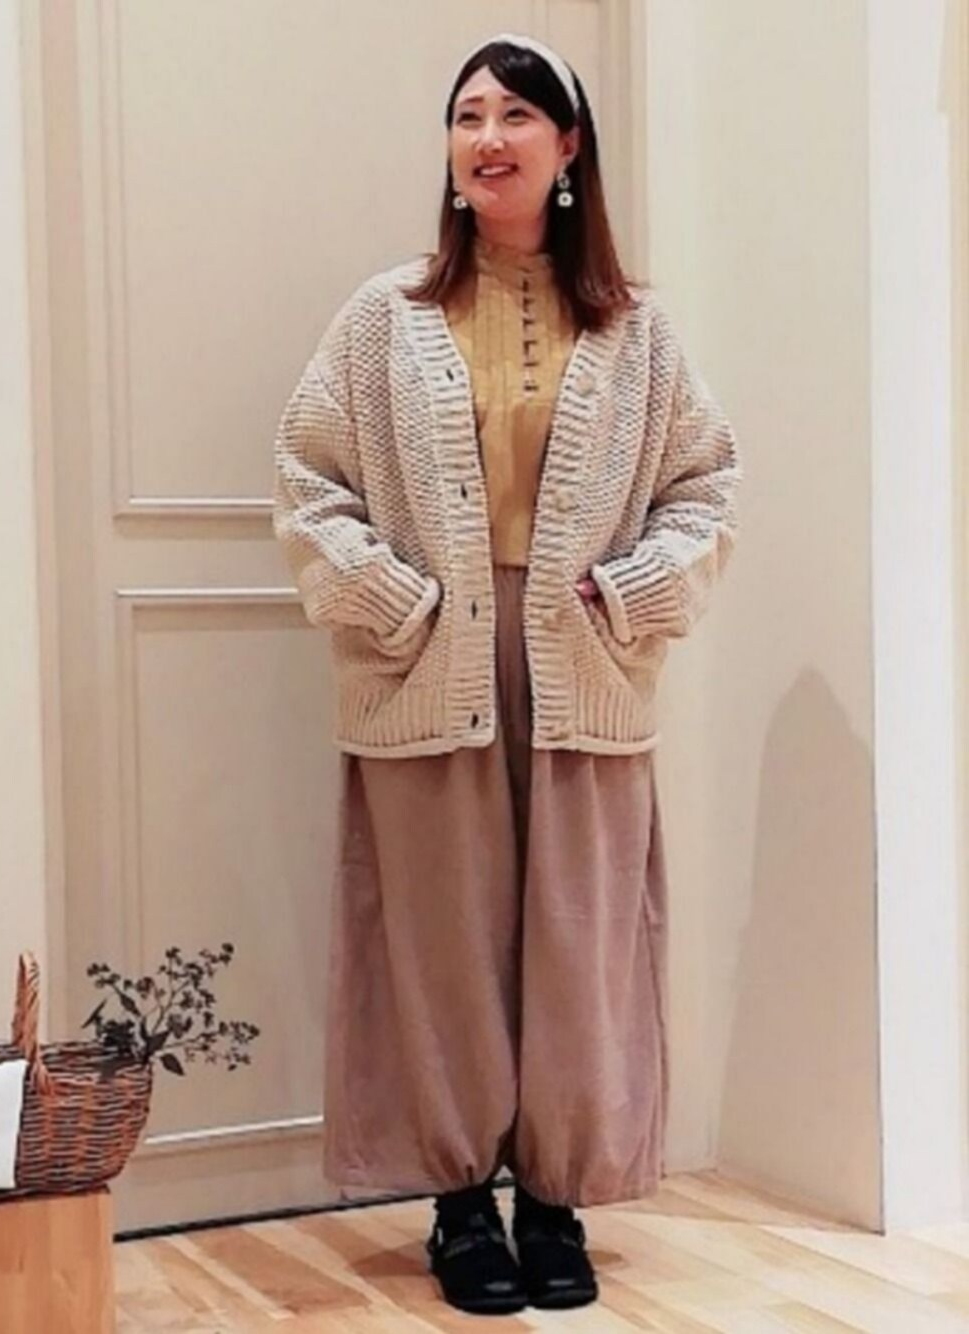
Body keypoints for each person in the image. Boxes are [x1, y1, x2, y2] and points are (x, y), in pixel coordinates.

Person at [272, 31, 743, 1317]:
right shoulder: (385, 316)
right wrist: (391, 598)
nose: (487, 138)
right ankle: (458, 1203)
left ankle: (552, 1199)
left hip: (583, 659)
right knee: (440, 940)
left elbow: (705, 487)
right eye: (467, 115)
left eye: (516, 115)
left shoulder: (636, 329)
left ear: (568, 146)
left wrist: (632, 593)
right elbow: (309, 480)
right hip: (429, 659)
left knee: (579, 943)